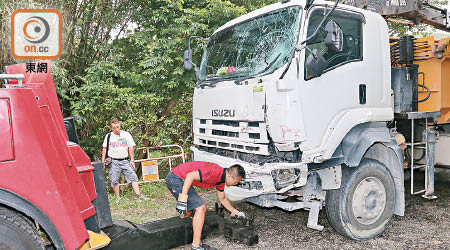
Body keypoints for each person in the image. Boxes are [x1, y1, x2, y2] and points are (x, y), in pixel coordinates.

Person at [165, 161, 247, 250]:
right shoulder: (214, 171)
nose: (235, 184)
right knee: (201, 208)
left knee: (191, 208)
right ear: (230, 176)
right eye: (236, 182)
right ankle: (196, 246)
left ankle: (187, 234)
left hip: (183, 179)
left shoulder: (221, 180)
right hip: (176, 178)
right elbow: (190, 176)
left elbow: (222, 199)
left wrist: (235, 212)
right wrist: (183, 198)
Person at [102, 117, 147, 204]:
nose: (117, 129)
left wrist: (132, 159)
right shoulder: (108, 136)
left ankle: (138, 195)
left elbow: (131, 147)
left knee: (133, 177)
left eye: (118, 127)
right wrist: (103, 161)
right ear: (111, 128)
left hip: (125, 160)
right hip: (113, 161)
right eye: (114, 128)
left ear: (120, 124)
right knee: (114, 179)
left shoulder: (126, 135)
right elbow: (104, 148)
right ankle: (118, 198)